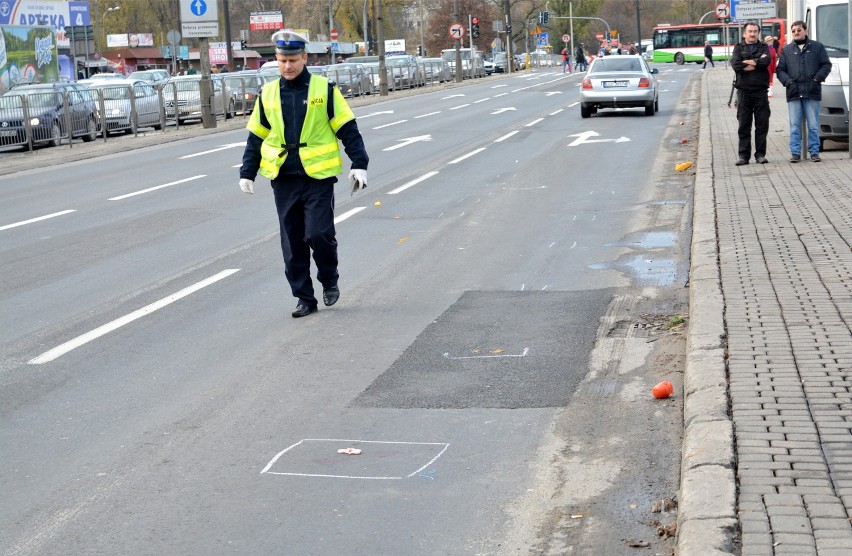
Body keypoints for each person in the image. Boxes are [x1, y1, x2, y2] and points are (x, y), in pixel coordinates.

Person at [238, 30, 369, 318]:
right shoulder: (268, 93)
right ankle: (304, 298)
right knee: (293, 243)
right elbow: (256, 137)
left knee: (319, 234)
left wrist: (359, 163)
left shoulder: (325, 90)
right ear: (276, 59)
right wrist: (247, 172)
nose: (288, 66)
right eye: (283, 60)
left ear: (305, 58)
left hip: (317, 179)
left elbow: (348, 130)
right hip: (283, 180)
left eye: (293, 60)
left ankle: (329, 279)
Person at [776, 20, 832, 163]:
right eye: (794, 30)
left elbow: (826, 65)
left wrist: (816, 80)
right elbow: (780, 70)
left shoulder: (817, 47)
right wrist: (788, 82)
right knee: (794, 125)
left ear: (805, 31)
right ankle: (795, 152)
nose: (796, 32)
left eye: (799, 30)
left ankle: (814, 152)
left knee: (813, 125)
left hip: (812, 91)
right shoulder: (787, 50)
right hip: (794, 92)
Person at [730, 21, 771, 165]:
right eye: (750, 31)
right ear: (744, 33)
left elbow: (766, 62)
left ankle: (760, 155)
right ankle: (743, 156)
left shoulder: (764, 47)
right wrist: (756, 62)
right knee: (744, 126)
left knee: (762, 125)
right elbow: (735, 64)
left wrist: (748, 63)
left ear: (758, 33)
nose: (753, 34)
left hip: (760, 92)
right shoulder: (738, 48)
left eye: (755, 31)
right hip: (744, 92)